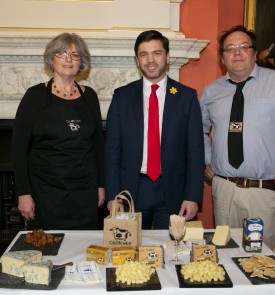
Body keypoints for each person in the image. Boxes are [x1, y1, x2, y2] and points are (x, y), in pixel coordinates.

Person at [200, 25, 275, 249]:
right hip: (224, 190)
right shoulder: (211, 91)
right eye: (230, 49)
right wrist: (207, 157)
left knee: (258, 261)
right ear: (222, 58)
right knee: (225, 254)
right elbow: (197, 130)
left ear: (253, 52)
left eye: (243, 47)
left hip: (262, 192)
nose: (237, 52)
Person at [104, 30, 205, 229]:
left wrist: (192, 196)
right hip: (132, 192)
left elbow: (195, 152)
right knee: (130, 253)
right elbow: (111, 151)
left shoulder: (186, 97)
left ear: (167, 56)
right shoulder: (121, 97)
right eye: (144, 54)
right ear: (137, 59)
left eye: (157, 53)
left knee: (169, 251)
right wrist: (113, 195)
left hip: (173, 192)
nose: (150, 60)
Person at [12, 33, 105, 230]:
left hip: (84, 192)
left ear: (82, 62)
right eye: (62, 53)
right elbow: (18, 149)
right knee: (48, 252)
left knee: (83, 251)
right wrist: (23, 193)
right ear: (51, 58)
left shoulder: (90, 97)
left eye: (75, 54)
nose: (68, 59)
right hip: (45, 193)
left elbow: (98, 144)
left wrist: (101, 185)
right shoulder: (34, 96)